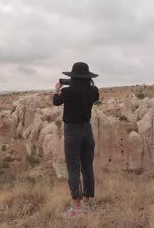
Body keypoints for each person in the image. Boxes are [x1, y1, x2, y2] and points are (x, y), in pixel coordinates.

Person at [53, 62, 100, 217]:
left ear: (72, 76)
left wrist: (56, 90)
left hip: (72, 131)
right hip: (87, 130)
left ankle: (76, 209)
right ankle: (86, 204)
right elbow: (94, 95)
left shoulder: (68, 91)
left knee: (73, 169)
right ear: (88, 76)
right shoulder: (93, 90)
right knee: (87, 167)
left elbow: (56, 102)